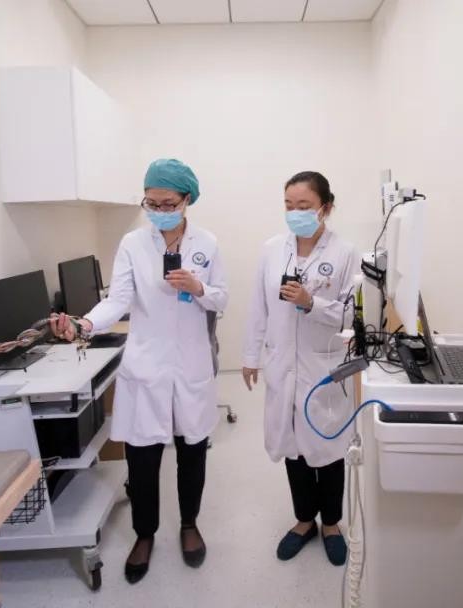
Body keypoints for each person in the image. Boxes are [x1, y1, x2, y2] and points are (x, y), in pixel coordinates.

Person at [51, 158, 228, 584]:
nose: (160, 210)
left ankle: (189, 524)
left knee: (192, 451)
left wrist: (199, 288)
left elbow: (221, 299)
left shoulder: (207, 243)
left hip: (191, 365)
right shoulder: (133, 243)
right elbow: (118, 299)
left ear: (187, 200)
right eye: (151, 202)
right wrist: (85, 323)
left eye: (168, 203)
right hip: (146, 364)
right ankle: (144, 534)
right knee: (143, 457)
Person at [242, 171, 359, 566]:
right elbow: (258, 307)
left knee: (328, 447)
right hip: (282, 365)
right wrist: (250, 356)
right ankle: (304, 520)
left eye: (304, 206)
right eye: (289, 205)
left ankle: (332, 524)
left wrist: (312, 303)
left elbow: (352, 317)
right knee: (292, 446)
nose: (295, 213)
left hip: (322, 364)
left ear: (326, 207)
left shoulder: (346, 253)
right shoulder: (272, 250)